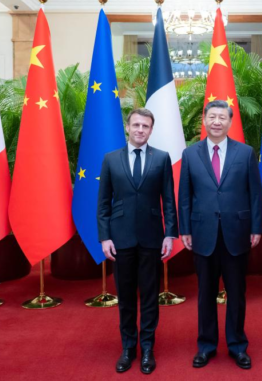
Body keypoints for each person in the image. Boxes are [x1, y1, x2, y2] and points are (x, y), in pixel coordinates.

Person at [179, 100, 262, 370]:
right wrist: (184, 229)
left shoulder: (245, 152)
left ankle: (238, 345)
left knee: (236, 293)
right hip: (202, 233)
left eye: (222, 117)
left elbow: (255, 194)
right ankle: (206, 346)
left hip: (237, 233)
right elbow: (184, 196)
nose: (217, 121)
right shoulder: (190, 154)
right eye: (212, 117)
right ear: (204, 120)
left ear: (230, 122)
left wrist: (256, 227)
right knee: (205, 293)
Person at [97, 108, 178, 375]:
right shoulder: (111, 159)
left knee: (150, 297)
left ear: (151, 130)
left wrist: (170, 234)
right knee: (126, 297)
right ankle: (128, 348)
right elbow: (103, 204)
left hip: (152, 238)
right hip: (120, 239)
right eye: (136, 125)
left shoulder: (161, 158)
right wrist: (105, 237)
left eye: (145, 126)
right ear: (128, 127)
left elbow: (169, 200)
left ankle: (147, 349)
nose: (140, 129)